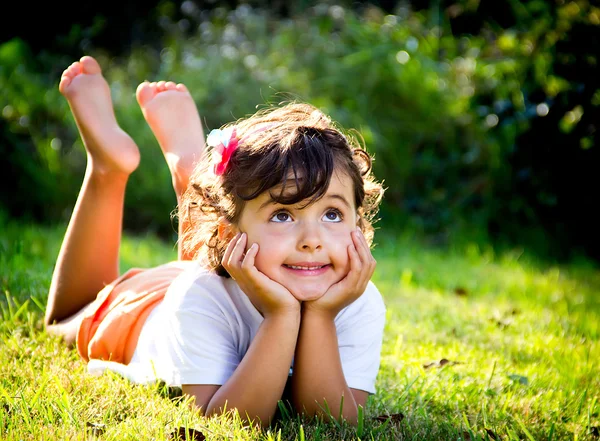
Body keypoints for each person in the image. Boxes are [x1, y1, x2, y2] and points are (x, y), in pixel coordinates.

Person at [45, 55, 386, 427]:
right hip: (150, 310)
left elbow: (332, 422)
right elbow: (230, 421)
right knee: (64, 319)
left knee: (217, 259)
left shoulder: (357, 301)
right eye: (283, 215)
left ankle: (191, 175)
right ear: (229, 235)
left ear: (358, 223)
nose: (312, 241)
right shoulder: (197, 295)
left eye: (332, 214)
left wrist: (320, 315)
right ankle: (108, 168)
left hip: (218, 276)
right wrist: (281, 315)